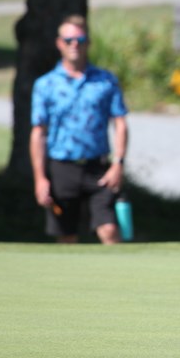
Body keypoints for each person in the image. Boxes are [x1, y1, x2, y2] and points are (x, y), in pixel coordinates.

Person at [29, 16, 129, 244]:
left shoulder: (105, 81)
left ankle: (120, 269)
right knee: (66, 236)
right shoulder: (45, 84)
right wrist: (40, 178)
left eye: (80, 39)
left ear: (88, 42)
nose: (74, 44)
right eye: (68, 40)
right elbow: (38, 132)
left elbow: (120, 123)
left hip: (98, 168)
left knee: (109, 230)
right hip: (62, 167)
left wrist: (118, 163)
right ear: (59, 43)